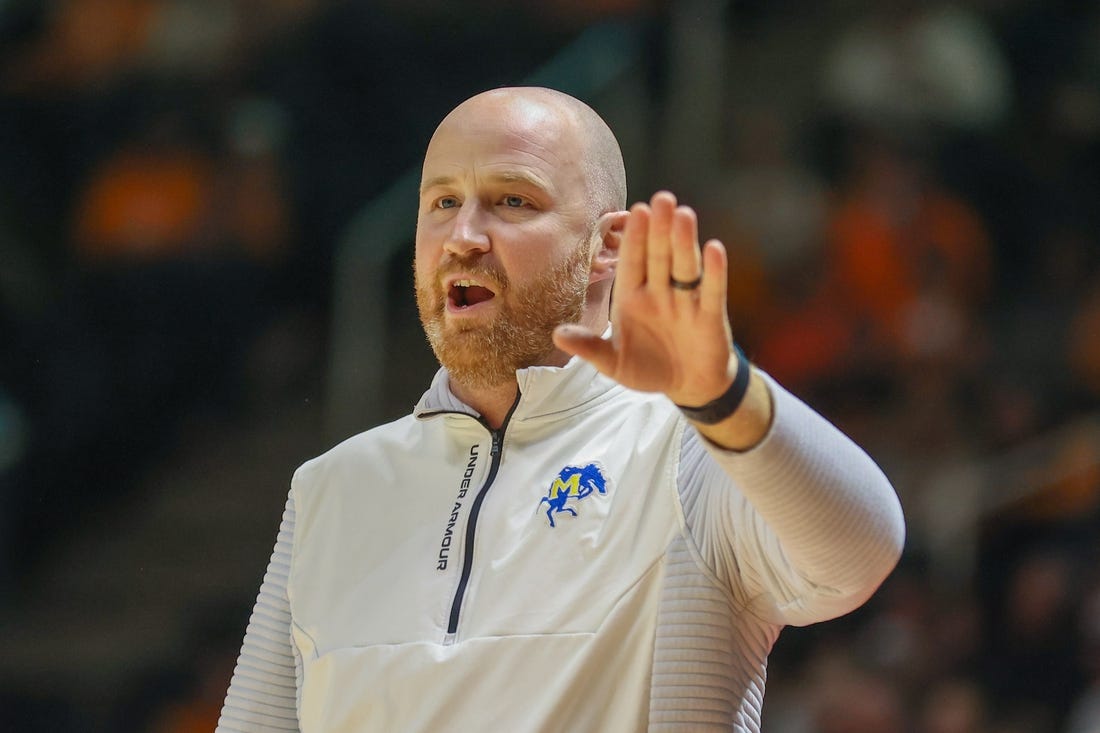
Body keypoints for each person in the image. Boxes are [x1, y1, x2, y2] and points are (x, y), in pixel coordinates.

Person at [216, 86, 905, 732]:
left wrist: (721, 392)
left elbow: (861, 549)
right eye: (442, 202)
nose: (464, 235)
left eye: (511, 201)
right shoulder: (331, 488)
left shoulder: (691, 453)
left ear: (607, 247)